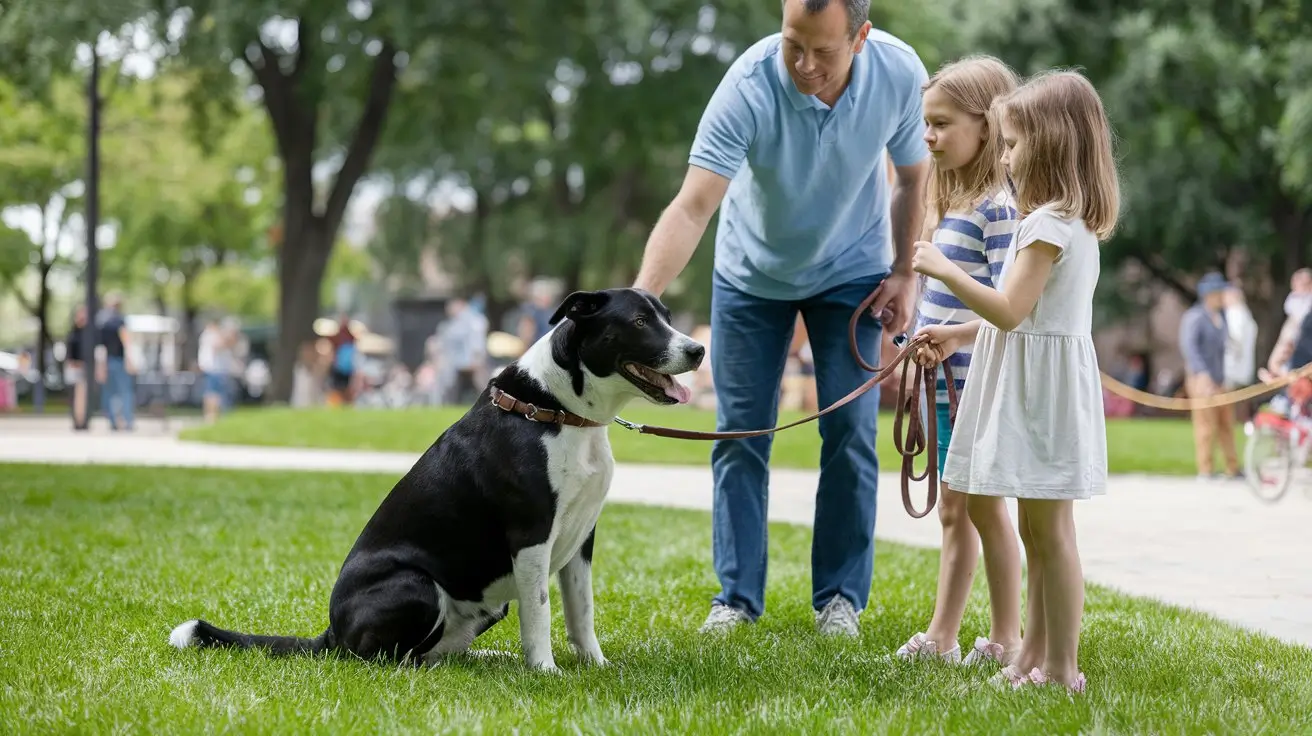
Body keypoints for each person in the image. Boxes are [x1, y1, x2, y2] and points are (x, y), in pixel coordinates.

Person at [631, 0, 932, 636]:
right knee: (740, 434)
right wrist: (639, 306)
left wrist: (905, 271)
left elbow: (912, 178)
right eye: (793, 43)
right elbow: (693, 208)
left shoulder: (900, 74)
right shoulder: (748, 85)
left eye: (824, 51)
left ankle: (840, 599)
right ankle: (736, 599)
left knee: (850, 433)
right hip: (751, 277)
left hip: (854, 272)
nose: (804, 63)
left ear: (862, 37)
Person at [910, 69, 1121, 693]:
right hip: (1043, 385)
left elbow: (1010, 309)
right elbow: (1021, 315)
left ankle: (1061, 668)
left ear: (1053, 142)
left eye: (1014, 142)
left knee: (1050, 536)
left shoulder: (1048, 225)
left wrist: (944, 269)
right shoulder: (1066, 220)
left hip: (1040, 396)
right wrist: (953, 334)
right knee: (1039, 531)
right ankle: (1030, 655)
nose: (1006, 156)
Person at [893, 55, 1023, 668]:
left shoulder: (999, 209)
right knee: (954, 509)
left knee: (983, 509)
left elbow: (1010, 307)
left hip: (975, 385)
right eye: (926, 124)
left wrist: (952, 336)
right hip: (943, 385)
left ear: (986, 125)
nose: (929, 136)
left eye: (942, 124)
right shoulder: (957, 201)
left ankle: (1006, 638)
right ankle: (943, 634)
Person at [1179, 272, 1241, 480]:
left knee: (1226, 423)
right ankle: (1205, 470)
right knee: (1206, 425)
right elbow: (1190, 348)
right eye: (1220, 292)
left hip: (1219, 379)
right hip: (1200, 379)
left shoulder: (1221, 318)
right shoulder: (1195, 317)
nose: (1223, 296)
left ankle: (1232, 467)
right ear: (1210, 294)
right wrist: (1203, 374)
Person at [96, 292, 135, 431]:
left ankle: (113, 421)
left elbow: (100, 346)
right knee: (125, 392)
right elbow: (126, 340)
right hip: (119, 359)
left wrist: (100, 365)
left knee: (110, 393)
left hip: (107, 361)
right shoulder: (120, 320)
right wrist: (130, 359)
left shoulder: (101, 321)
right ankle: (127, 421)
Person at [65, 304, 89, 430]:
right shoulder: (73, 332)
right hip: (74, 366)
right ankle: (77, 420)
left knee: (82, 395)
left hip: (84, 366)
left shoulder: (88, 333)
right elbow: (69, 352)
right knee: (75, 395)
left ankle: (82, 420)